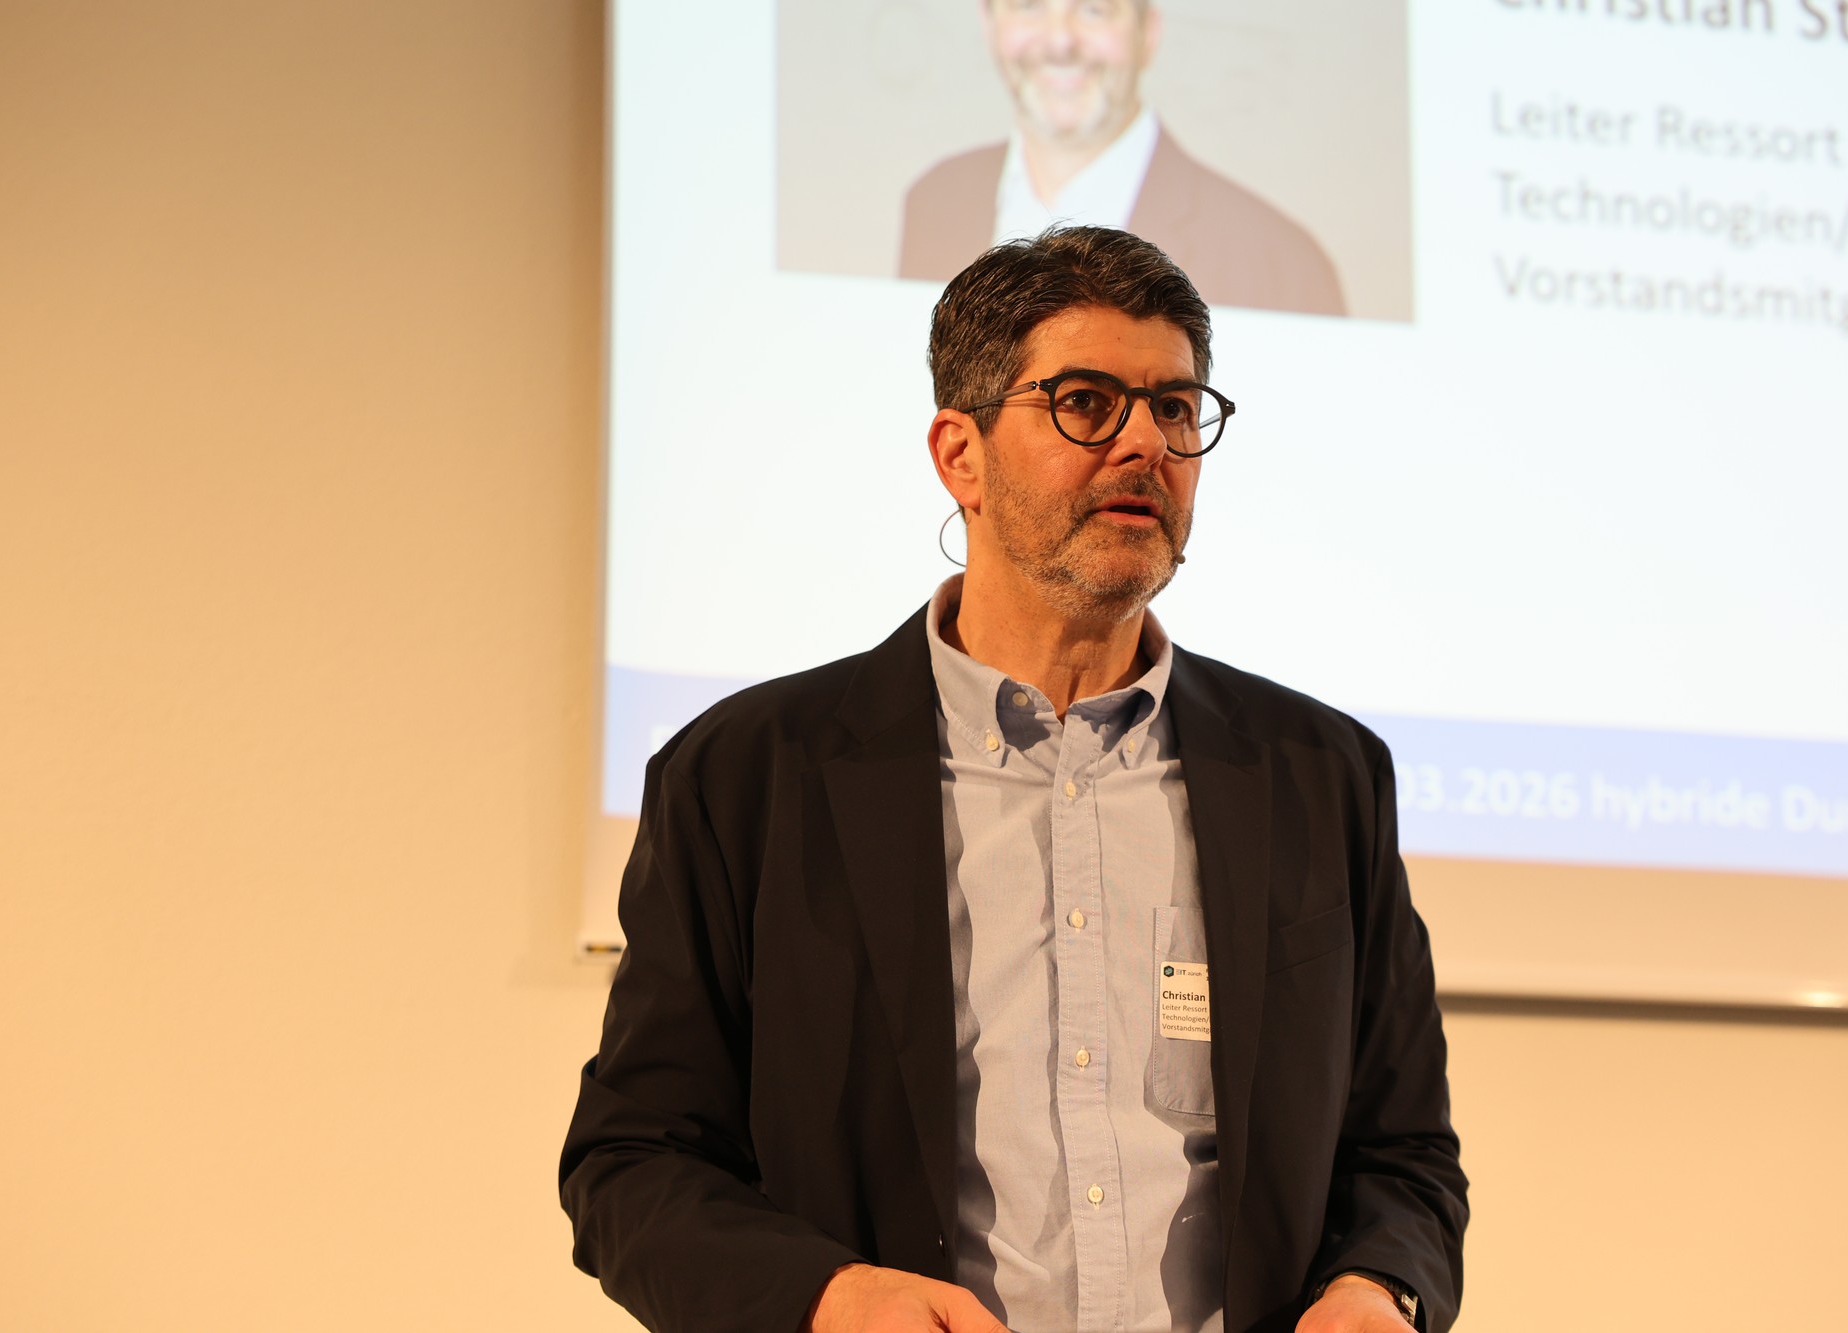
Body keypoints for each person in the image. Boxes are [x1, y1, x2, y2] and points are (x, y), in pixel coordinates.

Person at [560, 226, 1464, 1332]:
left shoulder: (1320, 777)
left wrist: (1377, 1289)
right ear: (961, 455)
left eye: (1176, 408)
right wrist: (825, 1298)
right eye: (1086, 402)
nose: (1146, 443)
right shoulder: (748, 776)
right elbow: (633, 1160)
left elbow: (1402, 1154)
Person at [898, 0, 1346, 318]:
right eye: (1028, 5)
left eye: (1094, 9)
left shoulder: (1281, 260)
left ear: (1148, 33)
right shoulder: (934, 201)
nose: (1059, 41)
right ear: (988, 23)